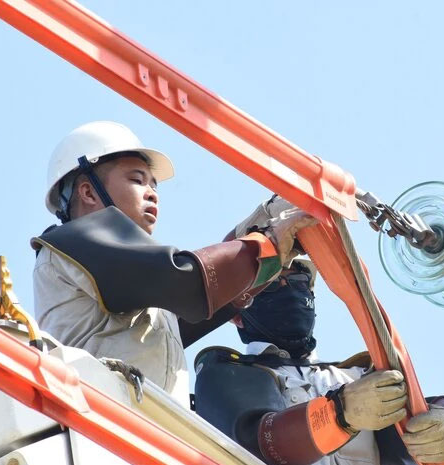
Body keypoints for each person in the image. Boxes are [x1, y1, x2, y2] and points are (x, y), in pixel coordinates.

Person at [193, 259, 444, 465]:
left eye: (297, 279)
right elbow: (265, 443)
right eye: (273, 281)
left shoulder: (354, 378)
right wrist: (341, 414)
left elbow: (417, 434)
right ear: (237, 315)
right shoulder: (225, 375)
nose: (288, 288)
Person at [31, 121, 313, 406]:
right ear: (89, 193)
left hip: (141, 425)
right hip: (97, 419)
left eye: (153, 185)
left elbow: (197, 309)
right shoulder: (73, 241)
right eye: (137, 180)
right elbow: (187, 285)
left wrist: (263, 246)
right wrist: (266, 244)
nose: (152, 192)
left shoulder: (128, 278)